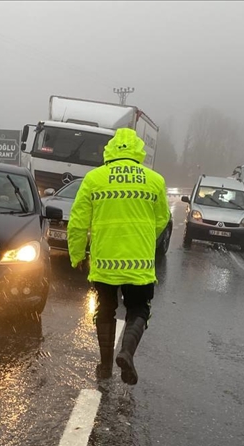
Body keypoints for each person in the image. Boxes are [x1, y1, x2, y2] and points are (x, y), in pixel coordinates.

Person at [68, 128, 170, 384]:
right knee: (139, 309)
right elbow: (162, 220)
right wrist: (143, 239)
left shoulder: (94, 179)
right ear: (138, 150)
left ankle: (104, 366)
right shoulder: (155, 180)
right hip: (139, 264)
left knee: (105, 310)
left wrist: (77, 254)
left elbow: (78, 223)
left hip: (104, 263)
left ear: (110, 150)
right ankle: (126, 351)